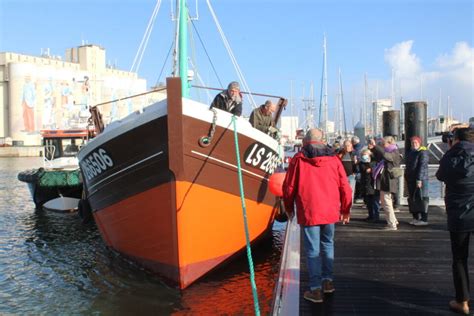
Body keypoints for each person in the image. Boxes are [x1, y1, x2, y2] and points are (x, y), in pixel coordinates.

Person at [283, 128, 352, 304]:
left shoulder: (298, 159)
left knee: (313, 251)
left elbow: (289, 187)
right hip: (330, 211)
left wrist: (288, 207)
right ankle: (327, 282)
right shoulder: (334, 160)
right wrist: (345, 209)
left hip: (309, 210)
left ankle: (315, 290)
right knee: (328, 244)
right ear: (322, 141)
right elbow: (345, 186)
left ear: (305, 142)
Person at [436, 127, 474, 315]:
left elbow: (440, 175)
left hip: (459, 215)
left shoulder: (451, 156)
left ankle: (463, 301)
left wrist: (451, 150)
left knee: (460, 258)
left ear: (456, 140)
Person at [370, 136, 401, 230]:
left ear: (389, 143)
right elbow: (380, 155)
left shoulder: (394, 152)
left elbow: (385, 155)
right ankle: (393, 220)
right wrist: (374, 148)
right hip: (385, 181)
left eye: (383, 144)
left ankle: (392, 224)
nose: (383, 146)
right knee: (386, 202)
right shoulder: (390, 152)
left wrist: (376, 146)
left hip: (389, 181)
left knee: (386, 202)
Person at [405, 136, 430, 226]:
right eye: (412, 143)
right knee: (413, 198)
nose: (414, 144)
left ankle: (424, 218)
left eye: (416, 142)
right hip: (411, 178)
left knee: (422, 198)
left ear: (419, 143)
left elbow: (422, 167)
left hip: (420, 179)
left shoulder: (423, 152)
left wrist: (419, 179)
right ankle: (416, 217)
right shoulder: (411, 152)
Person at [359, 149, 380, 222]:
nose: (364, 156)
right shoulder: (361, 163)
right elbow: (364, 169)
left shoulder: (374, 163)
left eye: (366, 154)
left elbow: (374, 170)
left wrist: (371, 168)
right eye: (363, 155)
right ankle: (371, 215)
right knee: (368, 202)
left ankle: (376, 217)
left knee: (375, 202)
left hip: (373, 184)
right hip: (366, 185)